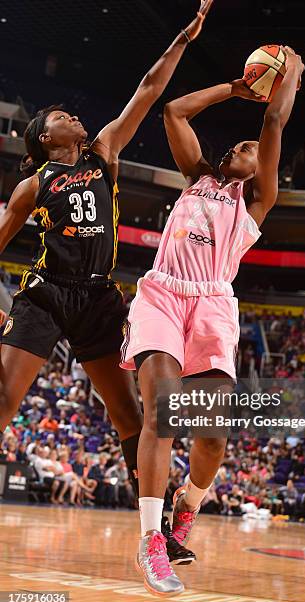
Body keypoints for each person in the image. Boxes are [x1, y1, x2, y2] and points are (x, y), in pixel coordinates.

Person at [0, 0, 213, 562]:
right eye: (59, 116)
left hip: (98, 298)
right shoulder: (34, 186)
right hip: (46, 293)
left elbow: (147, 89)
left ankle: (160, 529)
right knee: (4, 399)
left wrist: (184, 39)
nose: (72, 115)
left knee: (132, 416)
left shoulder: (105, 153)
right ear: (44, 137)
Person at [121, 46, 304, 595]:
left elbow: (273, 120)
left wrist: (288, 76)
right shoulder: (196, 176)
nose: (245, 148)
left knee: (213, 437)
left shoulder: (256, 203)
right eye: (240, 145)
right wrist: (233, 87)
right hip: (161, 295)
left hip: (213, 307)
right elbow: (174, 110)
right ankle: (151, 541)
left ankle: (187, 507)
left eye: (252, 149)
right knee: (163, 412)